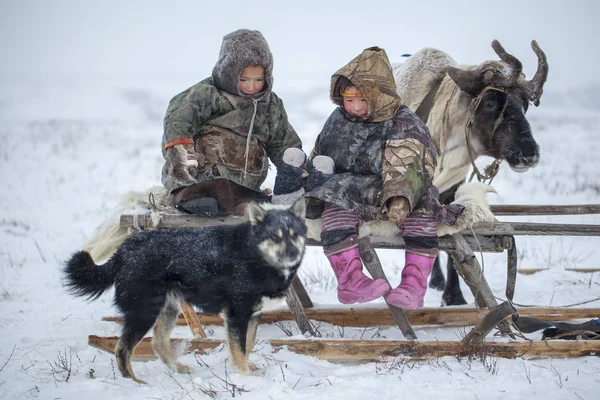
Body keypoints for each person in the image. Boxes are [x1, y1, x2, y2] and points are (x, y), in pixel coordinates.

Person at [304, 47, 463, 309]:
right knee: (334, 207)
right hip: (351, 188)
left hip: (398, 189)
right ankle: (349, 279)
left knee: (423, 213)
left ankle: (414, 285)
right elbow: (322, 151)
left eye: (362, 99)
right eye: (349, 99)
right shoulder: (337, 120)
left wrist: (400, 194)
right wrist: (313, 178)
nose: (355, 106)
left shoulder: (402, 119)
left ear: (379, 94)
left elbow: (412, 156)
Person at [161, 29, 305, 216]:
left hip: (245, 182)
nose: (252, 86)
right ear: (229, 72)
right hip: (202, 178)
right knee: (210, 187)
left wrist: (294, 172)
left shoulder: (270, 104)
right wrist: (181, 157)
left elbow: (283, 141)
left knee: (239, 194)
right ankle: (190, 198)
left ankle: (245, 200)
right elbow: (179, 120)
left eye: (259, 79)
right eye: (244, 79)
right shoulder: (206, 94)